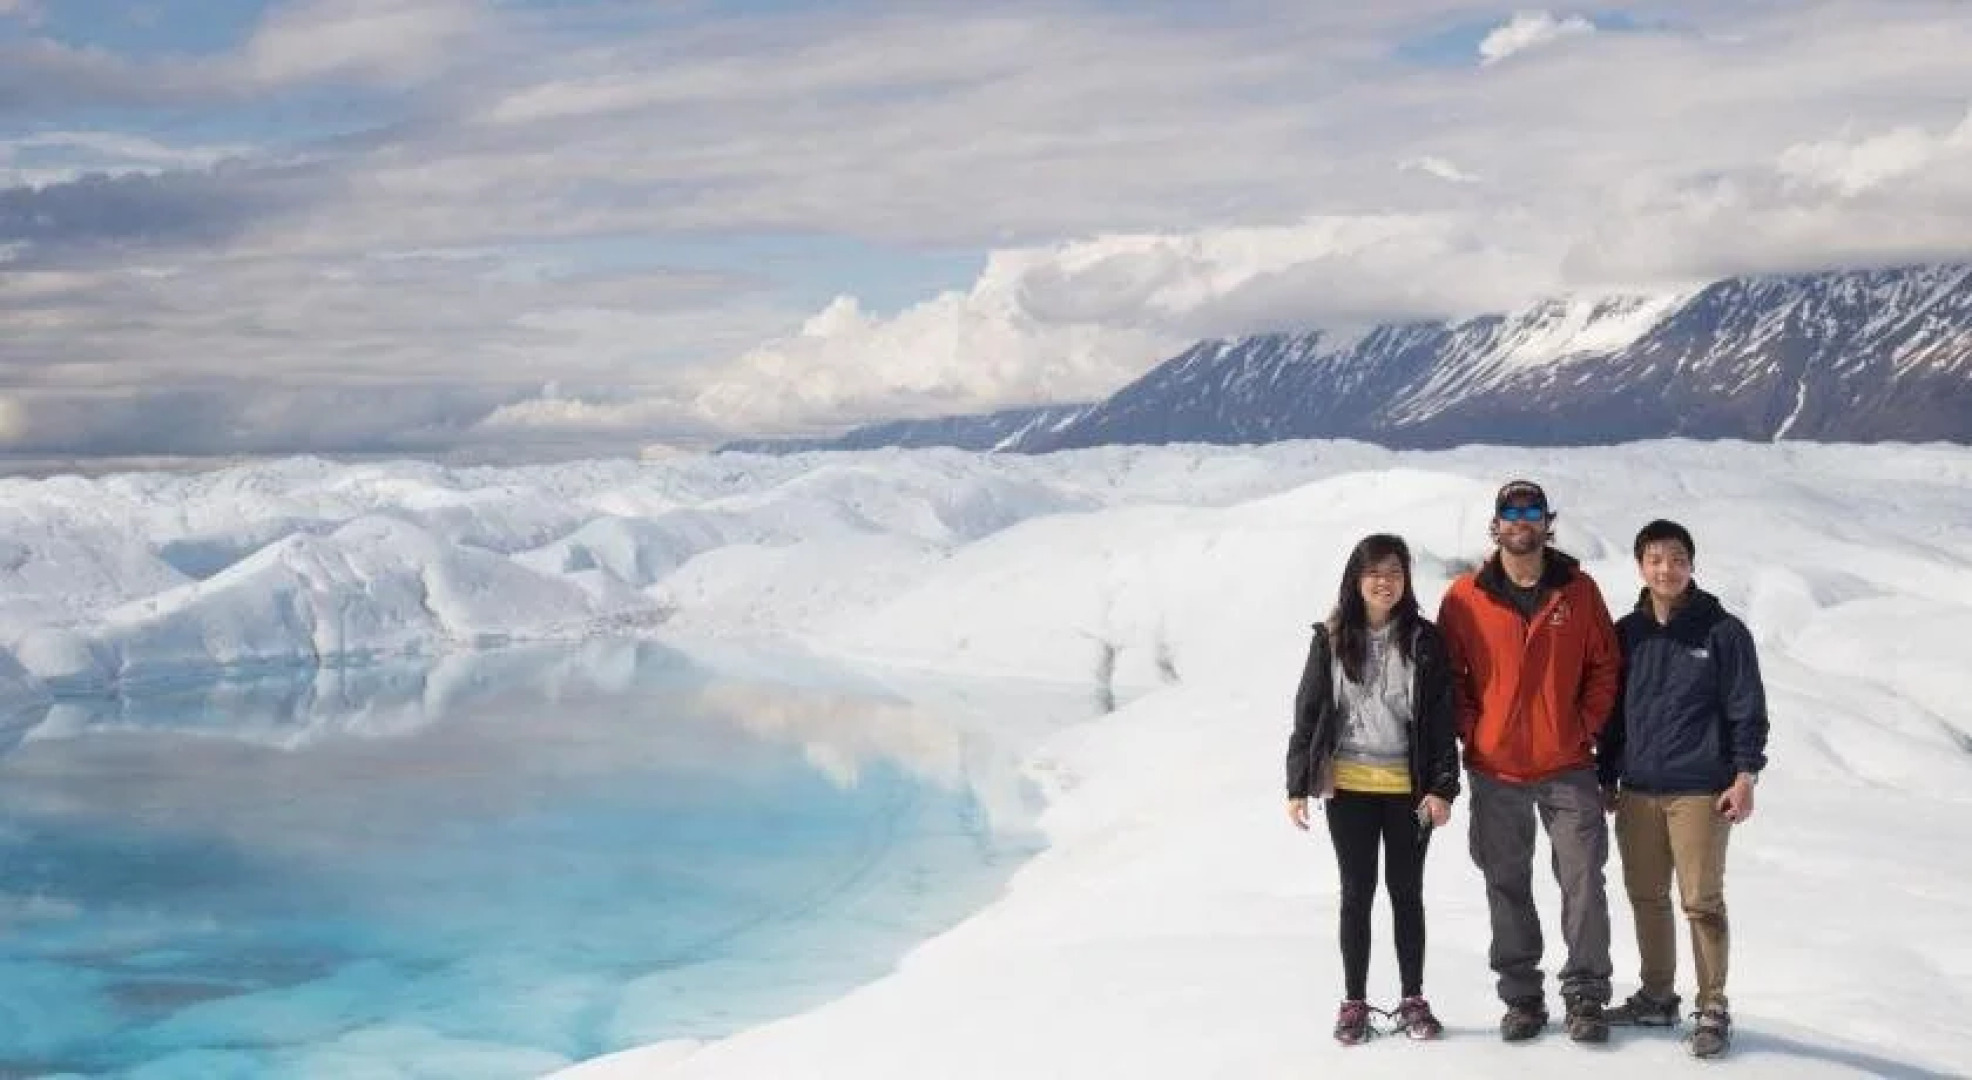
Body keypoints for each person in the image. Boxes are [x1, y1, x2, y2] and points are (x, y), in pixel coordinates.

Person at [1435, 479, 1622, 1043]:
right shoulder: (1465, 597)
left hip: (1567, 765)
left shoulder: (1579, 592)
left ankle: (1586, 994)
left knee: (1584, 879)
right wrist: (1475, 731)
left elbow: (1605, 667)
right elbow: (1452, 679)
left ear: (1547, 522)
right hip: (1496, 770)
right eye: (1511, 511)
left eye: (1532, 510)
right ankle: (1522, 999)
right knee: (1505, 883)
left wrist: (1583, 726)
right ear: (1496, 525)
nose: (1522, 520)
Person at [1597, 519, 1769, 1059]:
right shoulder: (1627, 633)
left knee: (1701, 900)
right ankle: (1656, 995)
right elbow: (1611, 715)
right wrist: (1607, 775)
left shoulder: (1722, 631)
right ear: (1640, 567)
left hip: (1700, 789)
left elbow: (1747, 709)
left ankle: (1712, 1004)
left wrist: (1745, 776)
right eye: (1655, 558)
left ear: (1691, 565)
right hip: (1638, 788)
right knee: (1646, 896)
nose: (1666, 568)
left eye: (1676, 558)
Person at [1285, 533, 1461, 1045]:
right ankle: (1354, 1002)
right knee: (1356, 895)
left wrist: (1443, 787)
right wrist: (1297, 784)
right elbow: (1309, 712)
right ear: (1356, 579)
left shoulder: (1424, 640)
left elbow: (1440, 719)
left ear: (1406, 580)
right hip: (1349, 789)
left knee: (1407, 894)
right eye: (1374, 572)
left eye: (1394, 572)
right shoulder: (1331, 638)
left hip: (1409, 790)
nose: (1384, 582)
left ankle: (1412, 999)